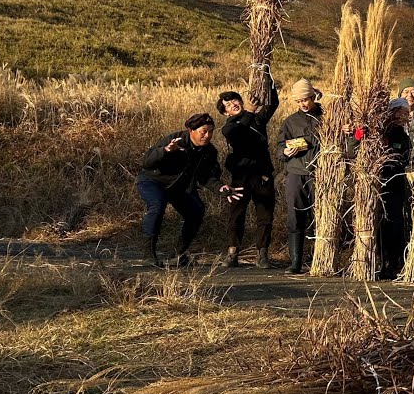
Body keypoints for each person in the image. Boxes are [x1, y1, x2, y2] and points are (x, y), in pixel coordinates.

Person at [137, 113, 241, 268]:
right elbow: (146, 162)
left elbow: (206, 177)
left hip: (179, 187)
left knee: (196, 211)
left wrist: (221, 187)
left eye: (211, 131)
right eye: (203, 131)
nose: (207, 135)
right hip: (153, 181)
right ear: (191, 130)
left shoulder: (209, 152)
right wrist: (165, 150)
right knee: (157, 205)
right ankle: (148, 254)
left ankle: (177, 254)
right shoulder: (176, 139)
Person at [216, 84, 279, 269]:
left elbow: (273, 104)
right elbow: (239, 134)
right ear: (226, 113)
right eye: (228, 104)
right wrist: (249, 112)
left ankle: (262, 254)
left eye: (235, 100)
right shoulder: (228, 128)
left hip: (262, 176)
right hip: (240, 177)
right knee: (236, 215)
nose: (233, 104)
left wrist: (268, 79)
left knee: (265, 216)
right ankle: (232, 253)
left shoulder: (258, 120)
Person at [276, 79, 323, 275]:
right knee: (296, 216)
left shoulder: (328, 117)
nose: (303, 104)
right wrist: (287, 151)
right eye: (299, 101)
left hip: (321, 173)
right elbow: (279, 149)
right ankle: (295, 262)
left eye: (306, 99)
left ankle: (319, 259)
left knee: (320, 217)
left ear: (314, 97)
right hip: (296, 173)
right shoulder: (290, 121)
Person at [377, 97, 414, 279]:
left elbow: (404, 159)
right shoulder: (380, 132)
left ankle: (395, 262)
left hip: (396, 183)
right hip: (378, 182)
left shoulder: (404, 137)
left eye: (406, 113)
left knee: (395, 222)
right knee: (380, 223)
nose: (403, 116)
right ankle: (380, 262)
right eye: (400, 112)